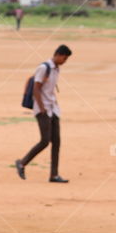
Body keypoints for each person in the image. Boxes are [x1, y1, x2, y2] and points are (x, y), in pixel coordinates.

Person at [15, 44, 73, 183]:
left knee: (56, 142)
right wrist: (42, 109)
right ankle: (22, 163)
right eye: (64, 58)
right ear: (58, 55)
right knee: (45, 141)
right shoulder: (44, 68)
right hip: (43, 110)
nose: (64, 62)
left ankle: (54, 175)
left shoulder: (56, 69)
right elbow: (36, 88)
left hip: (53, 109)